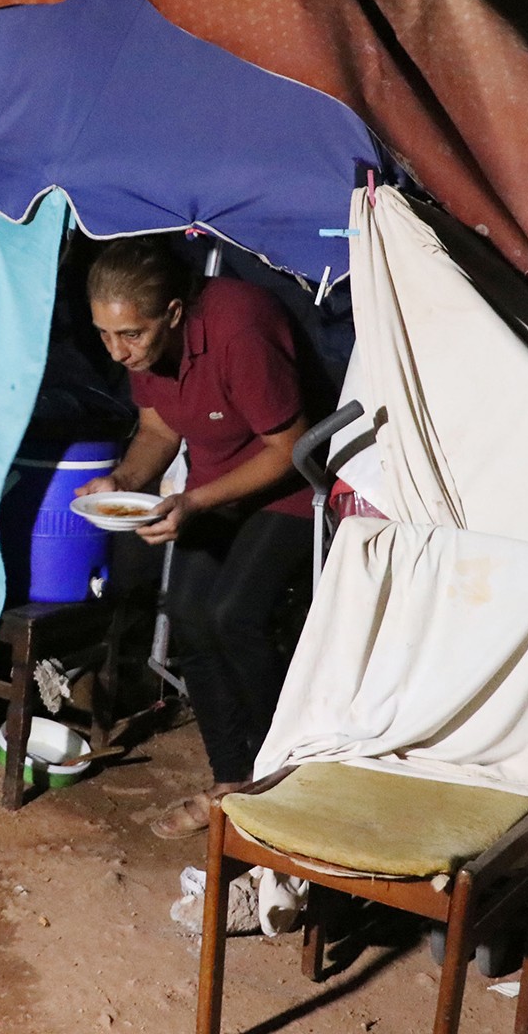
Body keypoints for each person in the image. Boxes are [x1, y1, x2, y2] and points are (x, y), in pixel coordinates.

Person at [76, 236, 318, 838]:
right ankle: (230, 778)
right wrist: (124, 481)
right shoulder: (144, 354)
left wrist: (192, 500)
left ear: (176, 314)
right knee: (187, 614)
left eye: (131, 334)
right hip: (211, 484)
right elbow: (158, 428)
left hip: (286, 484)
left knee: (235, 615)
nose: (119, 350)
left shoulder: (239, 333)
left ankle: (285, 773)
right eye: (105, 335)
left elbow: (289, 450)